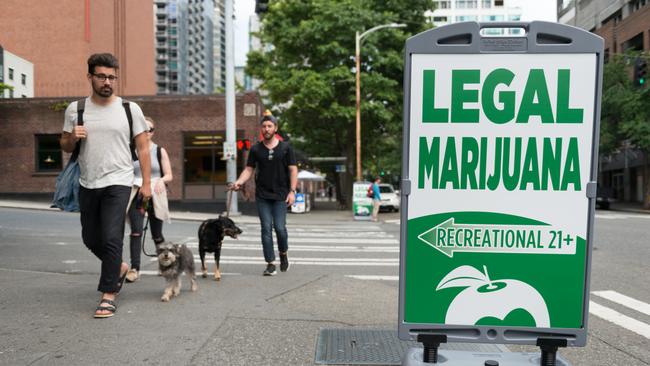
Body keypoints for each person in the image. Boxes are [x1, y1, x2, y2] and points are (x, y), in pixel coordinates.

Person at [60, 53, 151, 318]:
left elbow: (143, 148)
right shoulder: (76, 109)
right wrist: (71, 138)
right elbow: (65, 145)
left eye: (112, 77)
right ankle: (119, 267)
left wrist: (146, 183)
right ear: (90, 77)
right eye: (101, 76)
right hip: (88, 181)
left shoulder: (129, 109)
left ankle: (108, 294)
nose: (107, 81)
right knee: (90, 238)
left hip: (119, 180)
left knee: (112, 237)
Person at [232, 112, 298, 276]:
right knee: (266, 229)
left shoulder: (286, 148)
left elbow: (293, 169)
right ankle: (270, 263)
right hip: (262, 195)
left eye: (270, 126)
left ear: (275, 128)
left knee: (280, 228)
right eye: (264, 126)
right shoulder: (256, 149)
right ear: (261, 129)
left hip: (281, 195)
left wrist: (292, 191)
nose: (266, 129)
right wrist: (239, 182)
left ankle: (283, 253)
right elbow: (249, 169)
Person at [125, 116, 173, 283]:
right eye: (143, 129)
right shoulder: (129, 150)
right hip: (136, 193)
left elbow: (169, 175)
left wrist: (161, 180)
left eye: (150, 129)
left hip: (156, 193)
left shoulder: (160, 151)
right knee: (136, 232)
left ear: (153, 132)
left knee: (157, 234)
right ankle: (135, 269)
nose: (147, 132)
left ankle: (164, 264)